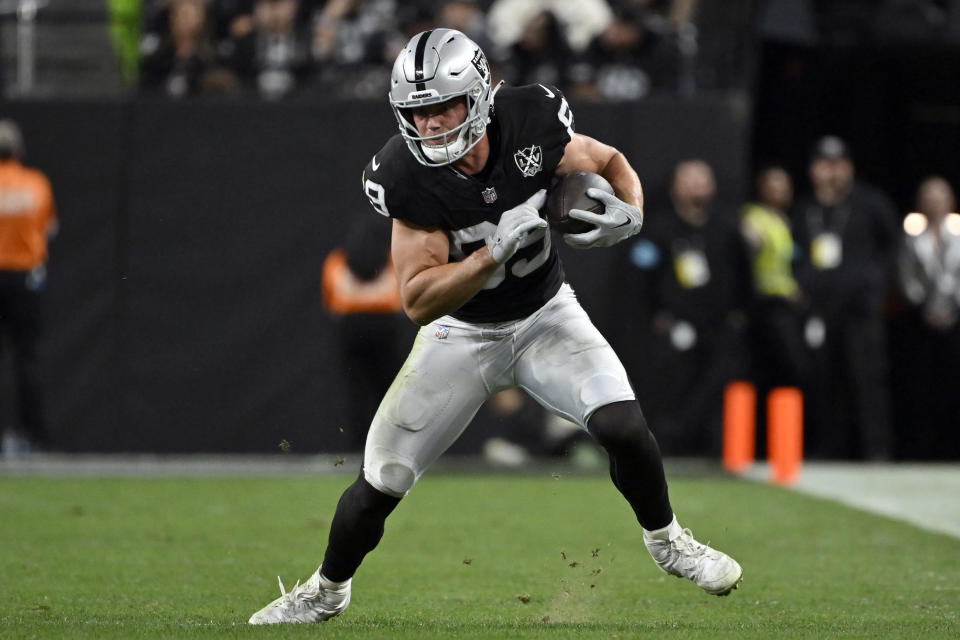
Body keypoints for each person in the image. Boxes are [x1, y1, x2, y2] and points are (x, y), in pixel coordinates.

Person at [248, 28, 741, 625]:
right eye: (417, 112)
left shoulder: (531, 118)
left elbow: (608, 161)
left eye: (441, 108)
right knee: (380, 482)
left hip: (545, 314)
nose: (429, 126)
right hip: (460, 334)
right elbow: (418, 299)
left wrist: (630, 210)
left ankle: (667, 543)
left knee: (624, 425)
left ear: (479, 96)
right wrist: (489, 255)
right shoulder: (404, 174)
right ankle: (326, 592)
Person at [617, 159, 748, 456]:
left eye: (702, 180)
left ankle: (716, 453)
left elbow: (744, 275)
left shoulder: (728, 229)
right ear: (676, 187)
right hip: (677, 328)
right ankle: (671, 448)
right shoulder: (660, 231)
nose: (696, 187)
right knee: (673, 389)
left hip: (719, 328)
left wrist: (739, 315)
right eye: (689, 180)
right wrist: (657, 316)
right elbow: (640, 279)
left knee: (717, 389)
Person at [791, 135, 898, 460]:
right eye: (824, 165)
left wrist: (875, 284)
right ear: (813, 170)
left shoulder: (870, 203)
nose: (831, 173)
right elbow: (793, 254)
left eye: (837, 165)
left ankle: (877, 452)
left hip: (860, 309)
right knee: (826, 383)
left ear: (849, 168)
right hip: (819, 311)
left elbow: (893, 248)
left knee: (867, 381)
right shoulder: (805, 209)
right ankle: (829, 451)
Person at [320, 216, 409, 450]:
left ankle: (359, 448)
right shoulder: (391, 261)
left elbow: (330, 302)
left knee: (356, 391)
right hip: (385, 328)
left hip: (350, 329)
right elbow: (403, 296)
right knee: (389, 390)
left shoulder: (336, 261)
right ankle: (390, 446)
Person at [0, 120, 57, 454]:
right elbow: (49, 228)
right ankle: (31, 435)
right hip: (24, 278)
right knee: (27, 359)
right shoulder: (36, 183)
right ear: (18, 150)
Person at [893, 176, 960, 458]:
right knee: (921, 387)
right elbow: (905, 276)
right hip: (921, 320)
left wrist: (954, 309)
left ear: (950, 201)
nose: (934, 202)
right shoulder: (912, 235)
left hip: (955, 320)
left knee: (953, 385)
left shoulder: (957, 235)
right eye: (928, 197)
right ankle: (920, 449)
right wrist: (923, 308)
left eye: (940, 196)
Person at [740, 165, 810, 390]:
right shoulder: (754, 217)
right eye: (773, 185)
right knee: (784, 366)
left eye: (784, 186)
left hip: (790, 303)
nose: (779, 191)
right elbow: (747, 252)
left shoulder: (788, 220)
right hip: (767, 303)